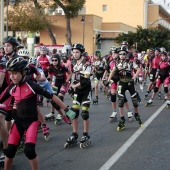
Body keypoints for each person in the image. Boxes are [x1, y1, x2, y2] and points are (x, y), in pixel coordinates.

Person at [0, 57, 76, 170]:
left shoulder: (32, 85)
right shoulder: (12, 88)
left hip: (31, 123)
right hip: (18, 123)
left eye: (15, 73)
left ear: (24, 72)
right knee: (10, 152)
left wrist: (66, 110)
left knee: (29, 151)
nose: (12, 76)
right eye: (10, 73)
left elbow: (52, 96)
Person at [108, 46, 143, 131]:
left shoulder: (130, 62)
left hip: (130, 83)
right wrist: (108, 79)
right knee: (120, 100)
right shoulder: (116, 63)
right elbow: (113, 71)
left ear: (126, 54)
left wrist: (134, 77)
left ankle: (137, 115)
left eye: (124, 54)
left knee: (134, 101)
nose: (122, 55)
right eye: (120, 54)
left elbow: (138, 69)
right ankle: (122, 119)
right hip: (122, 83)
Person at [64, 43, 92, 148]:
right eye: (73, 52)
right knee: (74, 113)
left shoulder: (87, 64)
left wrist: (73, 86)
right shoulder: (73, 63)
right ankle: (74, 134)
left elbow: (85, 80)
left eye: (77, 52)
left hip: (86, 91)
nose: (75, 54)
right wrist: (70, 85)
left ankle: (86, 134)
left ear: (81, 53)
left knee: (84, 113)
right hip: (77, 91)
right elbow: (72, 76)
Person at [44, 54, 72, 125]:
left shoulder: (63, 66)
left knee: (60, 96)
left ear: (59, 60)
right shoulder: (51, 67)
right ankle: (52, 113)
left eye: (55, 60)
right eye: (52, 60)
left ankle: (60, 114)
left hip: (64, 83)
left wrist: (67, 81)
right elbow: (49, 76)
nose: (54, 61)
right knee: (53, 97)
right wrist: (49, 81)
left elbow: (70, 73)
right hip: (56, 83)